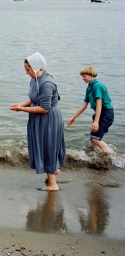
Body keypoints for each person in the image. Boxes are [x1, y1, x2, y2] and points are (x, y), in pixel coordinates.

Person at [10, 52, 65, 191]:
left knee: (48, 147)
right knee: (43, 146)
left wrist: (22, 109)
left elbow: (44, 108)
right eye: (25, 69)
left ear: (35, 68)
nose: (26, 72)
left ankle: (53, 184)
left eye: (27, 69)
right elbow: (33, 100)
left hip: (48, 119)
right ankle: (52, 171)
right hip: (39, 118)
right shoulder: (34, 79)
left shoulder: (47, 83)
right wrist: (20, 105)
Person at [67, 66, 114, 154]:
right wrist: (73, 117)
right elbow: (84, 105)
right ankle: (99, 157)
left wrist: (96, 122)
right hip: (100, 113)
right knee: (93, 138)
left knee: (95, 138)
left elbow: (99, 104)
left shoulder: (97, 86)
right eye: (82, 76)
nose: (82, 78)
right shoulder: (89, 87)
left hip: (106, 113)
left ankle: (113, 156)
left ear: (91, 75)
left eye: (84, 76)